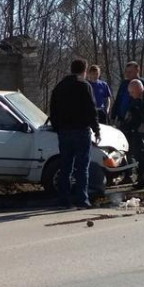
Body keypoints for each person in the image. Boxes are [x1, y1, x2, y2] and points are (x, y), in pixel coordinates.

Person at [49, 59, 100, 209]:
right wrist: (96, 129)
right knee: (82, 167)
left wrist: (57, 127)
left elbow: (53, 110)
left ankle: (64, 200)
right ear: (84, 71)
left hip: (64, 132)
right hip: (81, 131)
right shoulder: (84, 86)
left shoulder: (59, 87)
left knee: (65, 167)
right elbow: (91, 109)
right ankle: (82, 199)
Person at [110, 61, 144, 170]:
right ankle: (126, 173)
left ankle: (142, 173)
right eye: (126, 72)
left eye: (130, 72)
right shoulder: (124, 84)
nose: (128, 74)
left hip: (137, 121)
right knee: (123, 149)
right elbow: (118, 100)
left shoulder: (143, 84)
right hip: (123, 121)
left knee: (138, 148)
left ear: (138, 70)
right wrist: (114, 115)